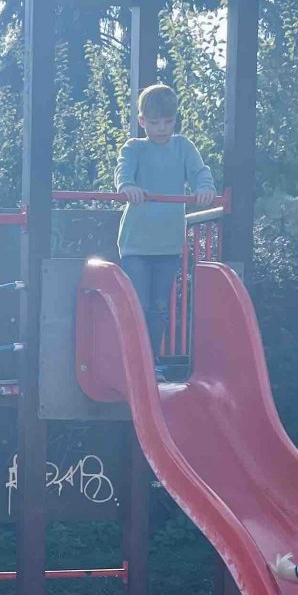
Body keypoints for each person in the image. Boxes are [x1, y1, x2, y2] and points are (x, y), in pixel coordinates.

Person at [115, 83, 215, 377]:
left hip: (168, 243)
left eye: (168, 122)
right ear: (142, 121)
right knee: (138, 303)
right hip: (136, 243)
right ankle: (133, 362)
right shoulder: (135, 148)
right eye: (155, 122)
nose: (162, 128)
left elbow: (200, 172)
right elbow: (123, 172)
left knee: (159, 306)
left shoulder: (183, 147)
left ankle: (151, 361)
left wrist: (204, 188)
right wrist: (128, 186)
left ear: (175, 120)